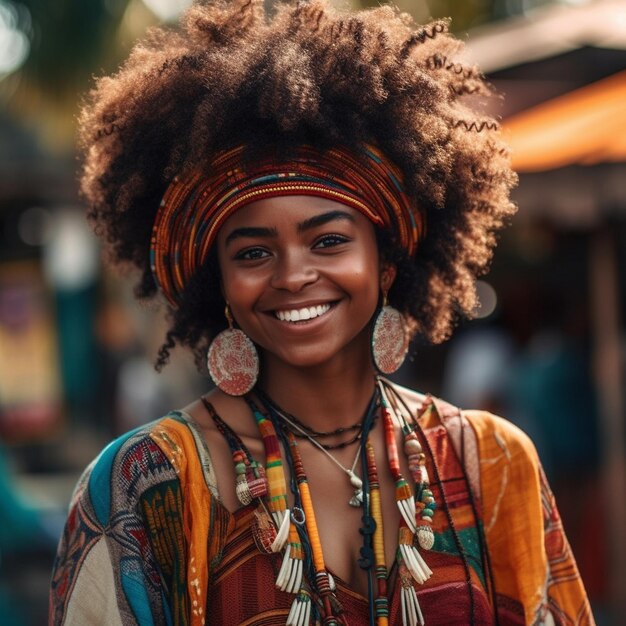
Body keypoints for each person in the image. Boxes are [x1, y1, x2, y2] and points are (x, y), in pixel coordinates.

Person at [49, 1, 593, 625]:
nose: (293, 276)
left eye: (329, 240)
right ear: (219, 283)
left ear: (387, 263)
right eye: (253, 252)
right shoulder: (146, 484)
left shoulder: (492, 463)